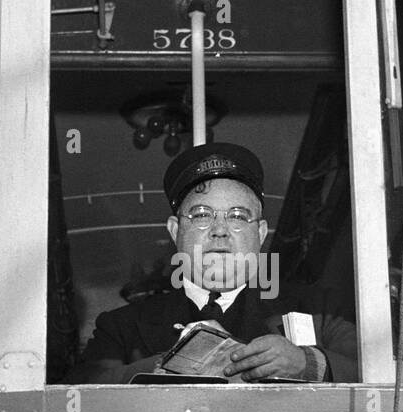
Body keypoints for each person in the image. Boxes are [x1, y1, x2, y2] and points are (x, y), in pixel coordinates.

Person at [67, 143, 357, 384]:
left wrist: (308, 362)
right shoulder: (121, 327)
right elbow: (76, 395)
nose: (220, 230)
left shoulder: (321, 311)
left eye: (238, 216)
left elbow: (387, 378)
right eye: (202, 215)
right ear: (175, 230)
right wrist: (160, 367)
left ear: (259, 233)